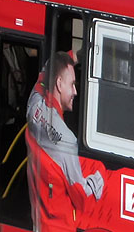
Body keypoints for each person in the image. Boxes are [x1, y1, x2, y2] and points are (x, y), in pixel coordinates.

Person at [27, 51, 104, 202]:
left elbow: (47, 69)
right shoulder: (67, 140)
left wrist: (74, 56)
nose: (75, 92)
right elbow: (80, 195)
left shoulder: (34, 103)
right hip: (56, 220)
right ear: (59, 83)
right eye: (72, 85)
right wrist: (102, 171)